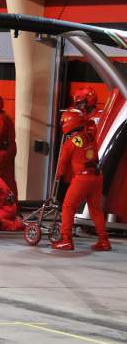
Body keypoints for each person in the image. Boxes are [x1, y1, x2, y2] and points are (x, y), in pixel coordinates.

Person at [50, 108, 110, 251]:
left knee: (68, 207)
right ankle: (104, 241)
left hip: (82, 178)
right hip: (97, 176)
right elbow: (90, 125)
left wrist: (58, 176)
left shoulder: (69, 143)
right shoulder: (90, 136)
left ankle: (66, 239)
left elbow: (62, 165)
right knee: (96, 210)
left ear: (69, 123)